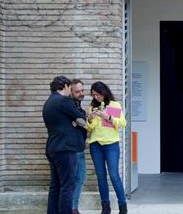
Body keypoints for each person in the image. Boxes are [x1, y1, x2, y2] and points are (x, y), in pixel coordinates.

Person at [43, 76, 87, 214]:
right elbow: (81, 118)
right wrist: (77, 120)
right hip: (66, 149)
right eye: (70, 89)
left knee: (55, 186)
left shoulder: (49, 102)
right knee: (68, 186)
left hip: (52, 148)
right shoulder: (64, 100)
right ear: (66, 87)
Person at [86, 81, 128, 214]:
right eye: (93, 95)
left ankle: (122, 206)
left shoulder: (113, 105)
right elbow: (89, 128)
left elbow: (122, 123)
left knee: (114, 175)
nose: (95, 97)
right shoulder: (92, 106)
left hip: (111, 145)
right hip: (96, 145)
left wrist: (108, 117)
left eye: (97, 95)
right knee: (101, 176)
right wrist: (91, 119)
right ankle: (105, 207)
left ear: (104, 93)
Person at [71, 80, 87, 213]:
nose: (81, 93)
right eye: (78, 91)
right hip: (73, 149)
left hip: (80, 148)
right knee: (75, 179)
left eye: (82, 90)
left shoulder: (79, 106)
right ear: (70, 92)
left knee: (80, 178)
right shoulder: (70, 106)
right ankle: (72, 208)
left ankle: (73, 207)